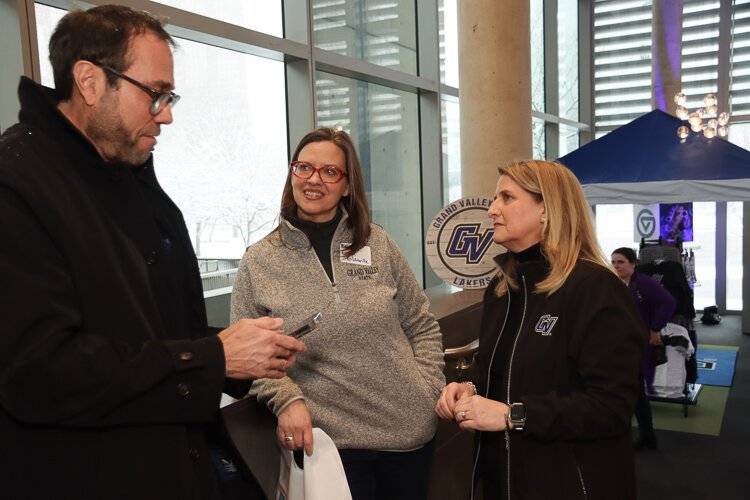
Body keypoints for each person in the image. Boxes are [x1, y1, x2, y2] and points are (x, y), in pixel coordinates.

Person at [0, 6, 305, 499]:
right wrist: (214, 357)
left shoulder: (129, 175)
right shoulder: (16, 184)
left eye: (170, 95)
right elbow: (39, 372)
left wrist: (239, 353)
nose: (166, 113)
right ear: (90, 81)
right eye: (155, 94)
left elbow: (145, 331)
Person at [230, 127, 445, 500]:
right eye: (304, 168)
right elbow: (248, 358)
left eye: (330, 172)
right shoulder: (259, 261)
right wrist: (288, 399)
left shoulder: (377, 242)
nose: (315, 180)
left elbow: (421, 325)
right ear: (292, 174)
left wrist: (429, 391)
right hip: (329, 446)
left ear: (347, 186)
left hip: (409, 434)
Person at [435, 160, 647, 500]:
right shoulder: (503, 289)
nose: (491, 210)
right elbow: (501, 369)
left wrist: (512, 416)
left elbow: (612, 406)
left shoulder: (595, 289)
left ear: (547, 210)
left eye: (506, 198)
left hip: (570, 482)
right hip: (503, 480)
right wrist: (469, 386)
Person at [611, 247, 676, 451]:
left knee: (636, 392)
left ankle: (646, 436)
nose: (616, 266)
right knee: (632, 391)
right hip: (622, 344)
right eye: (613, 262)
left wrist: (655, 328)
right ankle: (643, 435)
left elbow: (669, 302)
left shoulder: (643, 282)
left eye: (620, 262)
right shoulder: (617, 283)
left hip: (639, 346)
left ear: (633, 263)